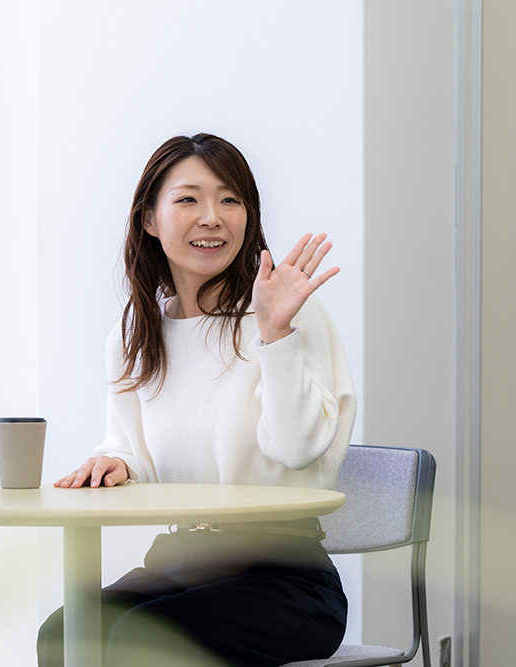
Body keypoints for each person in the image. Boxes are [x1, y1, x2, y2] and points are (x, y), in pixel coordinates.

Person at [37, 134, 357, 666]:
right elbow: (133, 450)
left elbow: (299, 450)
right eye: (188, 199)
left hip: (285, 576)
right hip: (179, 564)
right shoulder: (139, 332)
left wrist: (276, 334)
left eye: (230, 200)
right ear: (149, 219)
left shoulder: (288, 313)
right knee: (64, 633)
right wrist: (116, 463)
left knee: (139, 640)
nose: (212, 217)